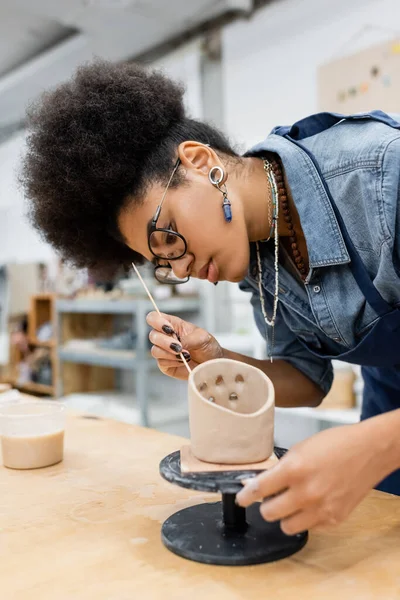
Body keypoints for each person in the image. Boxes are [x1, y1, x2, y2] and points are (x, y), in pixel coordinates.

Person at [22, 60, 400, 535]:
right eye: (161, 263)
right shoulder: (262, 257)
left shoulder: (385, 178)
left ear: (200, 162)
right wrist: (216, 362)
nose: (180, 268)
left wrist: (376, 445)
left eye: (167, 238)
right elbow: (308, 379)